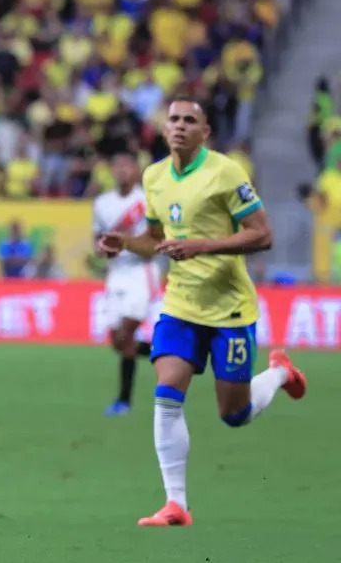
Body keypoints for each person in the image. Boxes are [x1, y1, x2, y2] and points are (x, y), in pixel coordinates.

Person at [98, 98, 307, 527]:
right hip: (180, 305)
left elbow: (262, 235)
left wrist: (203, 246)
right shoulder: (154, 177)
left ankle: (280, 372)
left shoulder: (225, 173)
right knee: (166, 393)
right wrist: (125, 241)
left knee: (234, 414)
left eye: (189, 120)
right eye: (173, 119)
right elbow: (155, 237)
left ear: (205, 131)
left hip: (229, 308)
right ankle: (176, 504)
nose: (179, 126)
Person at [92, 153, 161, 416]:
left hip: (141, 272)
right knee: (118, 342)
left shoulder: (146, 201)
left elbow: (155, 240)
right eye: (117, 166)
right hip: (116, 273)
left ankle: (124, 400)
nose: (121, 171)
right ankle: (174, 354)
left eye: (126, 166)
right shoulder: (102, 203)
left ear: (136, 170)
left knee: (125, 335)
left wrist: (133, 245)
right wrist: (100, 251)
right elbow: (98, 238)